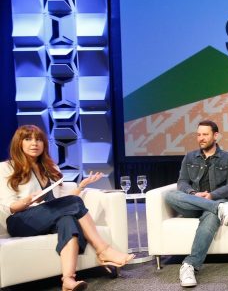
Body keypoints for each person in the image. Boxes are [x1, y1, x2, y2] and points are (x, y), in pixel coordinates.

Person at [0, 125, 135, 291]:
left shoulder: (51, 168)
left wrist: (81, 186)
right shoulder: (6, 167)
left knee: (68, 219)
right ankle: (103, 250)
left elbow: (63, 201)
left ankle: (68, 280)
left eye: (39, 139)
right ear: (18, 143)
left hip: (48, 216)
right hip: (21, 220)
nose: (34, 143)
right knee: (71, 207)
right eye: (28, 139)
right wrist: (26, 201)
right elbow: (9, 206)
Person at [164, 120, 228, 288]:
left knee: (211, 218)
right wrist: (193, 194)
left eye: (205, 134)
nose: (201, 138)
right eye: (198, 135)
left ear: (215, 135)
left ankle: (189, 265)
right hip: (195, 205)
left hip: (216, 201)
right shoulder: (190, 157)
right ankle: (219, 209)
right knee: (170, 195)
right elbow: (182, 182)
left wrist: (211, 195)